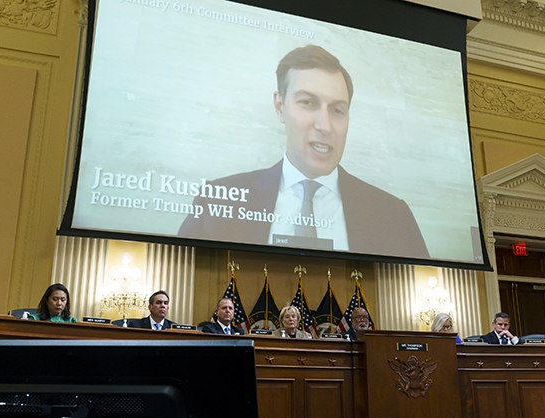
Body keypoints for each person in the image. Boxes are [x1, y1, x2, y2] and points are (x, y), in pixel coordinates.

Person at [178, 45, 428, 258]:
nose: (325, 125)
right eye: (308, 103)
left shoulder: (393, 215)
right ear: (279, 106)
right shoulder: (218, 200)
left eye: (337, 110)